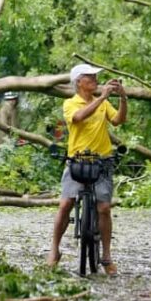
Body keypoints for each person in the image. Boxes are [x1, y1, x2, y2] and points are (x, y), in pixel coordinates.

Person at [47, 63, 127, 276]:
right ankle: (54, 250)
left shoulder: (102, 104)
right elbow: (78, 117)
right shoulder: (70, 103)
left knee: (104, 208)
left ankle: (107, 256)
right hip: (77, 161)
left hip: (102, 161)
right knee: (65, 204)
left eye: (95, 77)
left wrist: (122, 97)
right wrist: (103, 98)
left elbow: (118, 120)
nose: (94, 80)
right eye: (89, 77)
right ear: (78, 82)